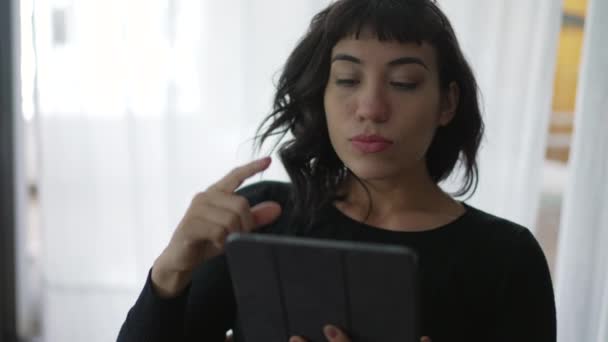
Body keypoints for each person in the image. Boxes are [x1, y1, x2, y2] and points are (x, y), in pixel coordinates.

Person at [118, 0, 556, 341]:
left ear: (447, 102)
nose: (370, 108)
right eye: (347, 80)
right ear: (321, 95)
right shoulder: (260, 219)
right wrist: (171, 270)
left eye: (404, 83)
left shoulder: (506, 259)